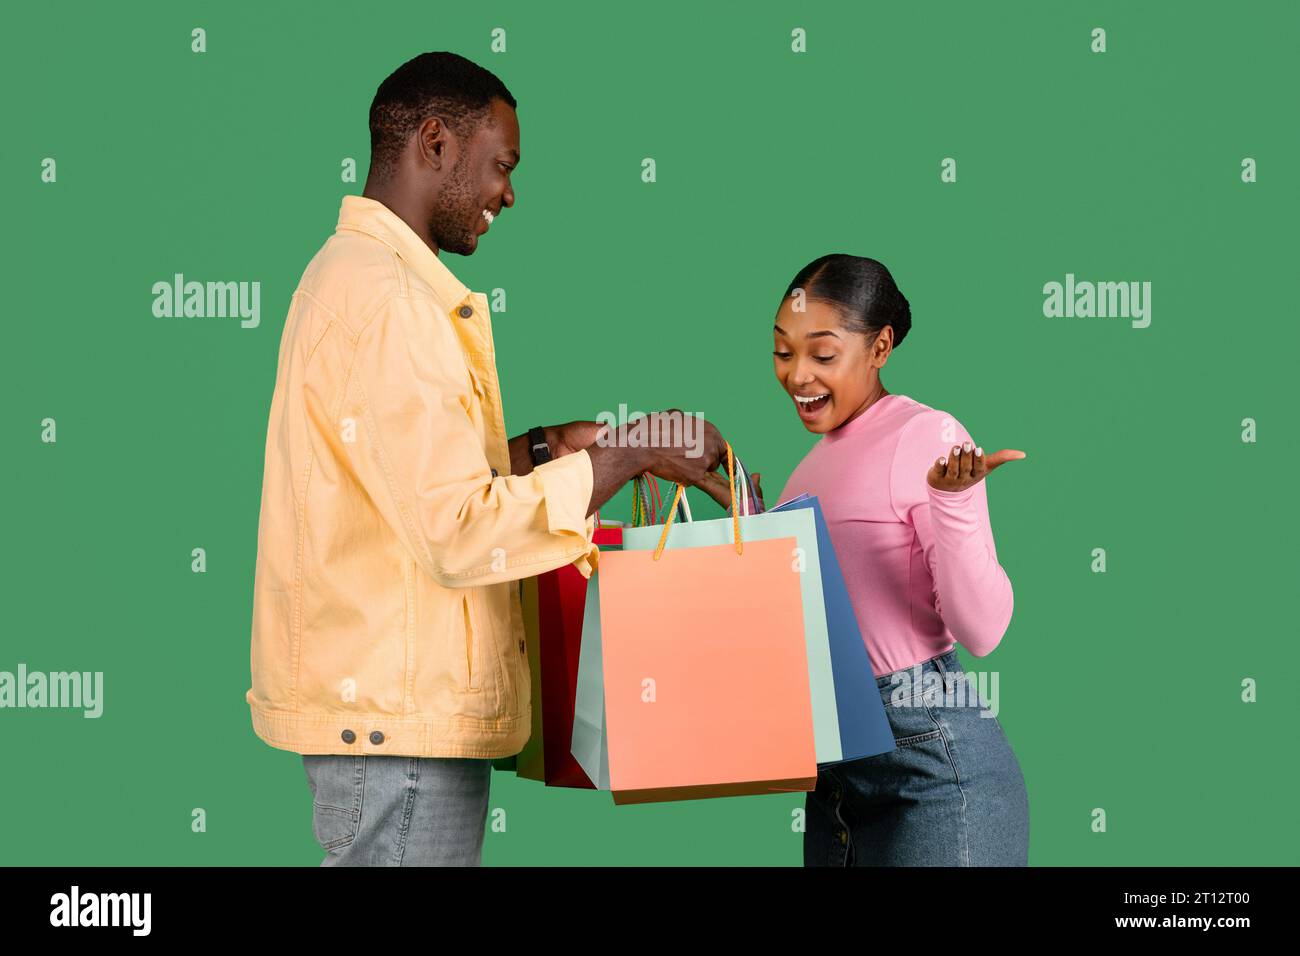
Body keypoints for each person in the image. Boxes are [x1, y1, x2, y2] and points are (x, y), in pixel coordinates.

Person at [246, 51, 727, 866]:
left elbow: (401, 485)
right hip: (399, 732)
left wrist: (550, 449)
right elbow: (456, 529)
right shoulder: (392, 300)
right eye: (501, 165)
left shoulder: (358, 278)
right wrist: (627, 452)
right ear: (435, 143)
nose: (510, 192)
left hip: (390, 723)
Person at [696, 254, 1030, 866]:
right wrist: (753, 521)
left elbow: (984, 629)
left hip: (930, 771)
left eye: (822, 355)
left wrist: (951, 502)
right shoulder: (809, 469)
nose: (798, 375)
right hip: (835, 788)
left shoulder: (925, 435)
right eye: (782, 351)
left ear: (880, 347)